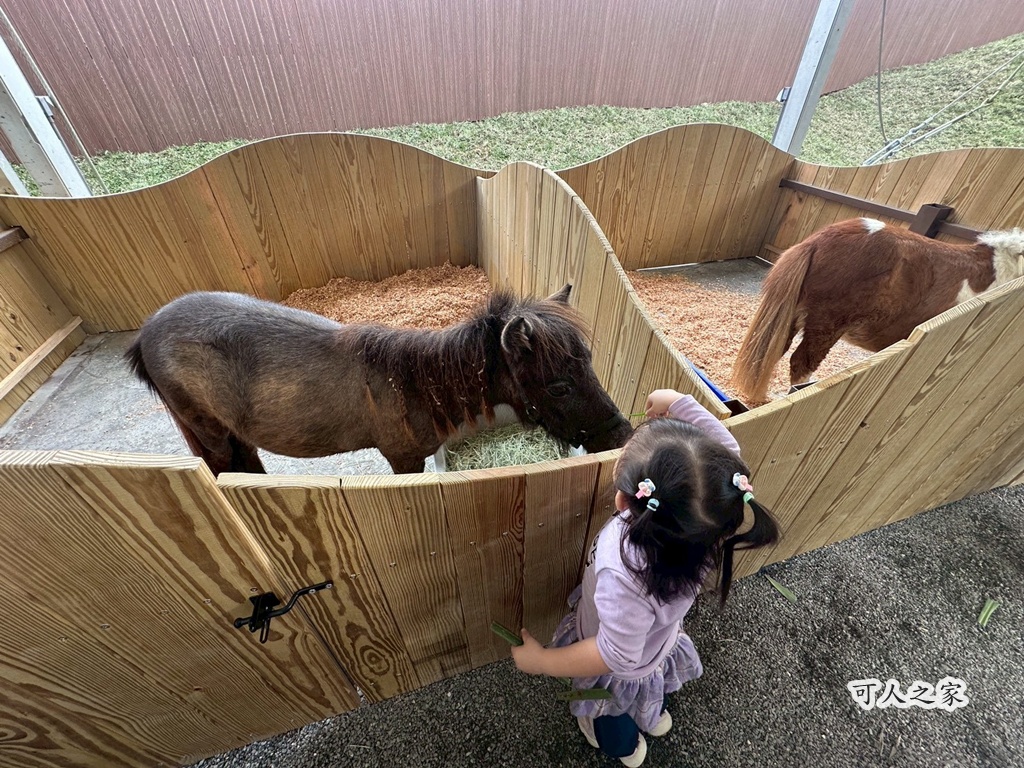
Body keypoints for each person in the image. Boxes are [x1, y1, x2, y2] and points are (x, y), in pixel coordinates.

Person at [510, 388, 781, 766]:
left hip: (620, 670)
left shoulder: (624, 573)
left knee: (610, 712)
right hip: (659, 646)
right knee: (652, 691)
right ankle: (655, 717)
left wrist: (542, 661)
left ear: (623, 500)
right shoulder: (707, 520)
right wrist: (676, 402)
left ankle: (626, 748)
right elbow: (724, 451)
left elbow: (613, 655)